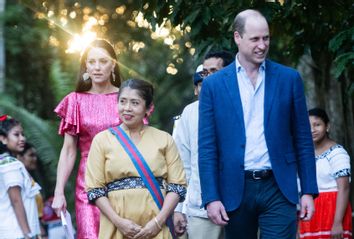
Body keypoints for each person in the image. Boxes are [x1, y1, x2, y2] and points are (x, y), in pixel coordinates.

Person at [198, 9, 318, 239]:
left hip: (279, 187)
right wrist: (211, 197)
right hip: (235, 188)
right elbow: (207, 147)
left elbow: (303, 138)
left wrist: (308, 191)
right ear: (237, 38)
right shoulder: (213, 86)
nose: (262, 45)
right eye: (255, 39)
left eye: (266, 38)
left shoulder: (289, 79)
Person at [85, 79, 187, 239]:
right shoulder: (101, 140)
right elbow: (94, 190)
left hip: (157, 227)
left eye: (135, 103)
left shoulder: (164, 139)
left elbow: (177, 187)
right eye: (122, 101)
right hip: (116, 228)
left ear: (148, 108)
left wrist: (157, 223)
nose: (127, 108)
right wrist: (119, 222)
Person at [51, 39, 122, 239]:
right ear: (85, 66)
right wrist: (59, 192)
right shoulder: (75, 100)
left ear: (113, 64)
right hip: (87, 185)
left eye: (103, 61)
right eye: (91, 62)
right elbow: (68, 150)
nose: (97, 67)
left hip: (124, 183)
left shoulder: (126, 99)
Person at [172, 51, 233, 239]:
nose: (207, 80)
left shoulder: (245, 105)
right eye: (204, 74)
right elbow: (182, 164)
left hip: (242, 205)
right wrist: (178, 208)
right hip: (201, 206)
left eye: (213, 72)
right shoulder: (190, 113)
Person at [299, 108, 352, 239]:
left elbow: (344, 188)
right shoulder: (303, 155)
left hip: (332, 210)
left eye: (317, 125)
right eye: (308, 126)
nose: (312, 130)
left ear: (327, 126)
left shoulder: (337, 153)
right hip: (309, 212)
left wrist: (338, 222)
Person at [0, 115, 41, 238]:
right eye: (16, 135)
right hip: (17, 233)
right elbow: (16, 200)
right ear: (3, 139)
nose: (22, 138)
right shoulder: (9, 165)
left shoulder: (8, 162)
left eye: (23, 134)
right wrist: (27, 234)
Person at [18, 143, 48, 239]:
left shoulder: (29, 178)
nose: (35, 159)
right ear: (20, 157)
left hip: (39, 228)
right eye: (31, 155)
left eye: (35, 155)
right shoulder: (17, 181)